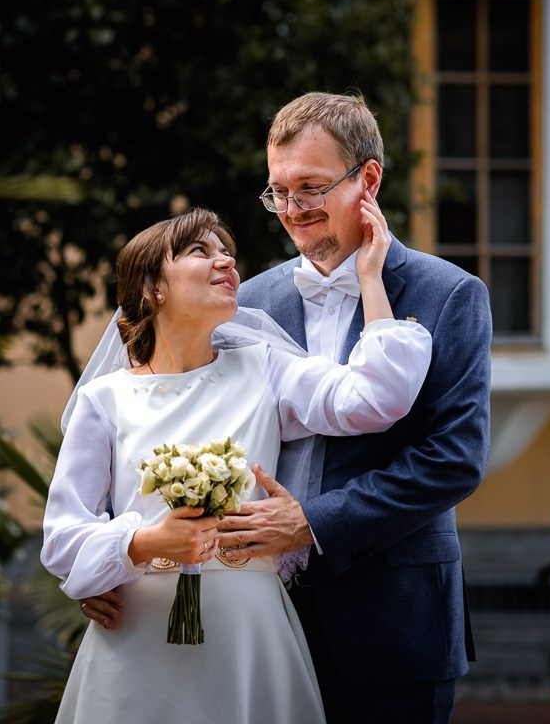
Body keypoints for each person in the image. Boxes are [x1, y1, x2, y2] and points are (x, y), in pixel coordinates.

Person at [80, 92, 492, 722]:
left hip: (391, 619)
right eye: (278, 192)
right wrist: (110, 562)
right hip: (246, 626)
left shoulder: (450, 294)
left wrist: (312, 522)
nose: (293, 211)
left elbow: (453, 460)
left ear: (368, 180)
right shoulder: (244, 300)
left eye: (311, 188)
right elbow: (165, 415)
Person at [41, 205, 431, 723]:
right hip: (137, 637)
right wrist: (145, 543)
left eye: (227, 252)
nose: (226, 261)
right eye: (199, 251)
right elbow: (62, 538)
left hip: (250, 633)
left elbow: (377, 398)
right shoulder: (104, 399)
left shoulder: (265, 368)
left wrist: (370, 278)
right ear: (153, 288)